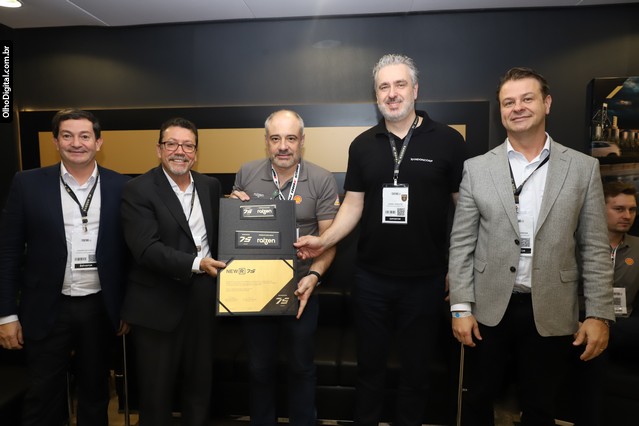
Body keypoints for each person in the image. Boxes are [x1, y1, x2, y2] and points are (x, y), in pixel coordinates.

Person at [295, 54, 468, 426]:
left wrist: (459, 268)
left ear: (415, 90)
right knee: (370, 370)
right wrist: (323, 241)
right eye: (383, 87)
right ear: (375, 95)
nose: (392, 93)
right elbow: (352, 205)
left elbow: (464, 212)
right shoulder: (362, 145)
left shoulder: (449, 141)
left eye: (399, 84)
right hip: (371, 280)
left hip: (425, 280)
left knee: (416, 374)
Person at [447, 67, 615, 426]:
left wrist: (599, 314)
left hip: (552, 308)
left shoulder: (582, 168)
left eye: (527, 99)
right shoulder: (477, 169)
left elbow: (595, 247)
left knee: (541, 406)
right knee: (478, 400)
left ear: (547, 103)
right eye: (508, 102)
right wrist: (460, 308)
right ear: (500, 110)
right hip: (488, 309)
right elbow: (461, 243)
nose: (517, 107)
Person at [0, 108, 130, 426]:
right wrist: (6, 315)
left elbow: (130, 254)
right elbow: (8, 252)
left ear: (98, 142)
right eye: (67, 136)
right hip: (45, 306)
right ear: (56, 141)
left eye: (85, 136)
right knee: (43, 395)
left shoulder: (122, 186)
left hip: (100, 308)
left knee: (96, 394)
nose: (76, 143)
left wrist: (127, 306)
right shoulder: (27, 183)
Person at [230, 109, 339, 426]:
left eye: (290, 138)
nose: (283, 146)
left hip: (301, 289)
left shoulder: (321, 178)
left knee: (301, 367)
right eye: (275, 138)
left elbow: (330, 241)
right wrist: (233, 210)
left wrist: (314, 276)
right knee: (259, 368)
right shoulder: (247, 172)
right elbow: (236, 232)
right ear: (266, 141)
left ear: (302, 140)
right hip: (256, 289)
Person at [120, 117, 225, 426]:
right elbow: (145, 248)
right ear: (159, 149)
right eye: (172, 144)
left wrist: (240, 208)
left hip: (203, 298)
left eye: (188, 145)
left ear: (196, 152)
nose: (180, 151)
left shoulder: (210, 186)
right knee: (156, 393)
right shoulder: (138, 189)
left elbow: (220, 233)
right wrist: (196, 263)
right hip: (157, 303)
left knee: (200, 385)